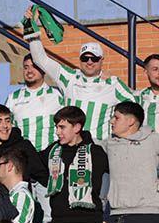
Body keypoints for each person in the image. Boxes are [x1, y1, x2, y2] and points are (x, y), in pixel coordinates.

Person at [26, 11, 135, 143]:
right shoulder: (69, 77)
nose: (89, 62)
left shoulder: (113, 83)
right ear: (79, 60)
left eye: (94, 58)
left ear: (102, 60)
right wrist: (32, 27)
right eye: (85, 58)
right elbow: (40, 59)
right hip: (71, 148)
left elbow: (135, 107)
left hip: (99, 149)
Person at [5, 55, 62, 152]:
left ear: (44, 70)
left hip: (50, 155)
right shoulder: (13, 98)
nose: (29, 71)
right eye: (26, 67)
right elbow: (5, 126)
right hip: (23, 156)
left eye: (34, 66)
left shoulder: (57, 95)